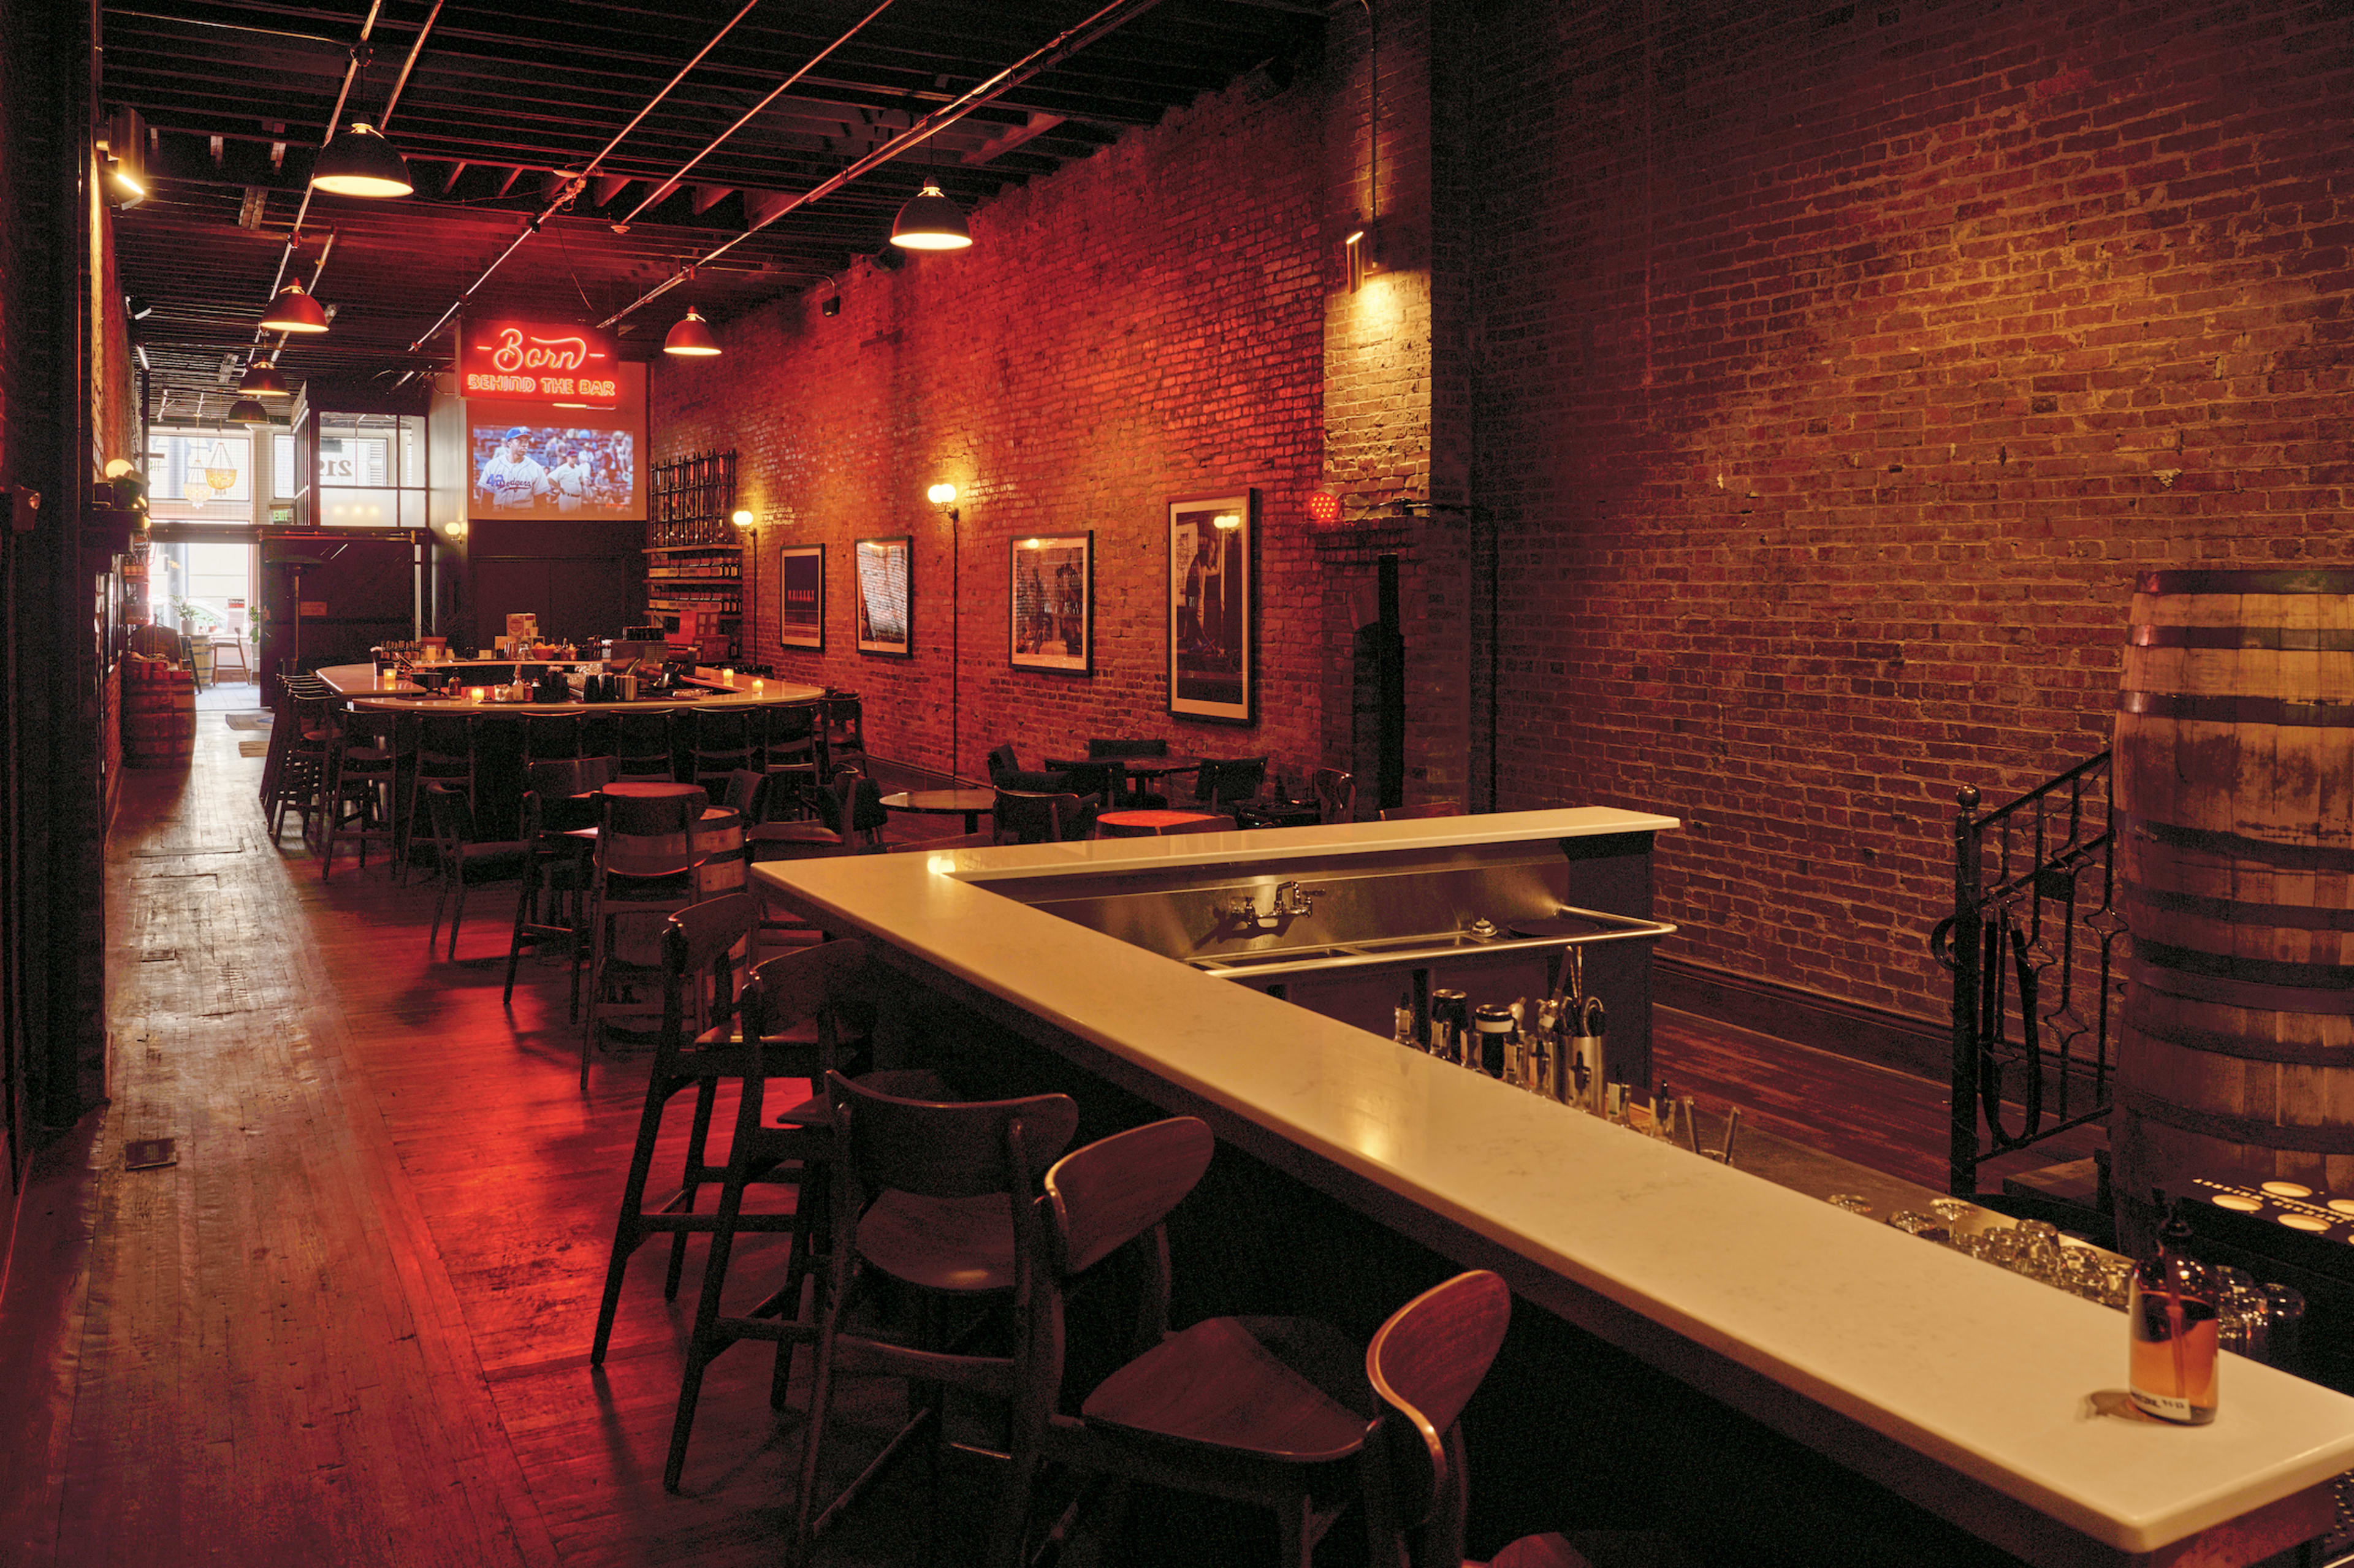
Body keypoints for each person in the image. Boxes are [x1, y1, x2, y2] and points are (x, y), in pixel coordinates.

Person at [477, 428, 548, 509]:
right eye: (520, 441)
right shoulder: (493, 465)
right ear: (510, 444)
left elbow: (541, 502)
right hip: (499, 515)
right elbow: (486, 497)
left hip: (525, 516)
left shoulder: (536, 468)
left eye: (526, 441)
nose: (524, 444)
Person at [546, 446, 590, 512]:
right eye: (572, 457)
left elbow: (581, 482)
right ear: (567, 458)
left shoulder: (579, 469)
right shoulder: (562, 468)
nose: (574, 459)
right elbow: (549, 479)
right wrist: (558, 487)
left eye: (575, 457)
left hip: (578, 498)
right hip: (567, 498)